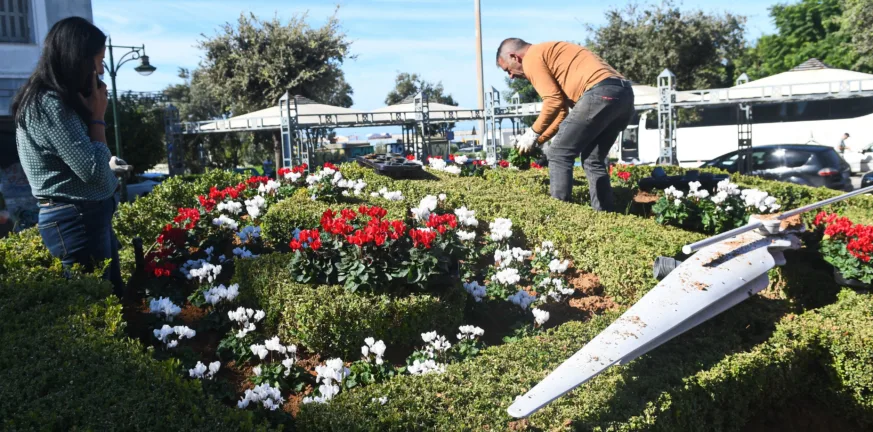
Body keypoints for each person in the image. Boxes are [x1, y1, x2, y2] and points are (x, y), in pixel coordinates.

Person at [11, 16, 130, 296]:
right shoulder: (49, 104)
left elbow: (98, 169)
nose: (101, 70)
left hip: (84, 215)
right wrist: (98, 117)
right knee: (98, 304)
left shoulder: (57, 101)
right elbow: (95, 172)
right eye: (99, 60)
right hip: (77, 218)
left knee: (112, 299)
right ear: (79, 58)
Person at [496, 38, 635, 212]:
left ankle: (561, 215)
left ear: (514, 57)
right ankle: (606, 215)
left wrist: (532, 133)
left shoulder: (531, 57)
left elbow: (552, 102)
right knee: (592, 160)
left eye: (507, 70)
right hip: (623, 95)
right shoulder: (549, 54)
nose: (510, 76)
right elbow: (561, 112)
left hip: (600, 93)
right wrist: (538, 140)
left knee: (558, 154)